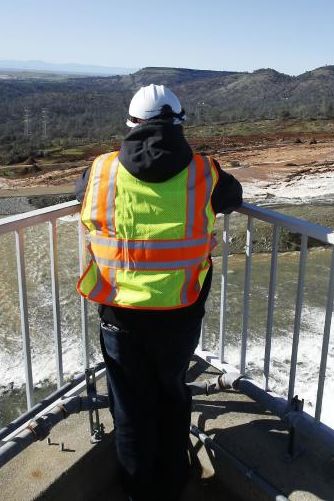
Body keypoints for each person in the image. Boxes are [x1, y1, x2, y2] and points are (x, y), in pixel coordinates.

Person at [74, 84, 242, 500]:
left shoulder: (100, 171)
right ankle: (172, 483)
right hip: (179, 309)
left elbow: (81, 198)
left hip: (119, 312)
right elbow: (233, 197)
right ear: (181, 124)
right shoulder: (205, 172)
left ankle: (138, 489)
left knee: (130, 406)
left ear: (131, 123)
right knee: (172, 393)